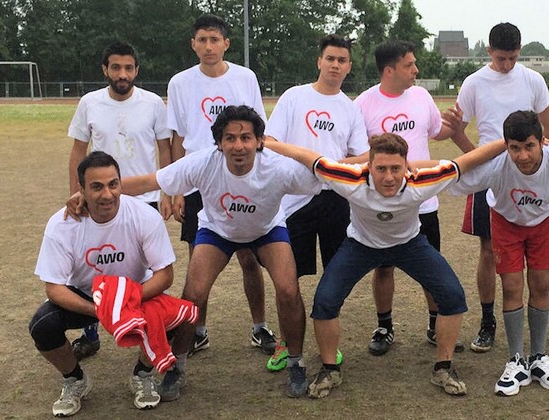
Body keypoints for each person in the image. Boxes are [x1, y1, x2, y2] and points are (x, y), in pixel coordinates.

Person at [265, 133, 509, 398]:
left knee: (452, 296)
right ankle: (329, 369)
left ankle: (443, 367)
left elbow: (466, 161)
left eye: (396, 169)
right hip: (360, 246)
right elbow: (309, 157)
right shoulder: (350, 179)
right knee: (325, 301)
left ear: (408, 167)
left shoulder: (423, 181)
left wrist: (508, 141)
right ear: (368, 167)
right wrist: (270, 144)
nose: (389, 177)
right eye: (381, 169)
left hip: (410, 244)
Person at [106, 105, 321, 399]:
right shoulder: (203, 163)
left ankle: (296, 362)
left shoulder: (278, 166)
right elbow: (150, 182)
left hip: (266, 230)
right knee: (193, 294)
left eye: (246, 137)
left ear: (260, 141)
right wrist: (100, 192)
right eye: (230, 138)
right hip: (217, 230)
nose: (238, 145)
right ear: (218, 143)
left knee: (287, 289)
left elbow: (322, 174)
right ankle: (176, 367)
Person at [445, 22, 549, 352]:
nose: (507, 65)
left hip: (530, 172)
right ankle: (488, 321)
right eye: (501, 58)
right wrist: (483, 162)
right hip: (494, 178)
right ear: (489, 51)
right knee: (489, 250)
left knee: (543, 257)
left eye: (513, 58)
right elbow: (457, 130)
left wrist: (532, 155)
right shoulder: (474, 82)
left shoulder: (532, 79)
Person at [29, 152, 177, 416]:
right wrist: (100, 310)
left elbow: (164, 275)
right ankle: (74, 379)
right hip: (86, 296)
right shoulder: (61, 224)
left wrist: (126, 301)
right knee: (43, 325)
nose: (107, 194)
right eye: (96, 187)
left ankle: (143, 374)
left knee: (171, 316)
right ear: (81, 190)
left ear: (121, 184)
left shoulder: (143, 215)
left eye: (113, 184)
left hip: (133, 291)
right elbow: (54, 288)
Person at [166, 14, 276, 355]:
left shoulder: (245, 78)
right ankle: (197, 329)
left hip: (239, 176)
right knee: (199, 259)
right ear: (193, 44)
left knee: (248, 257)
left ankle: (259, 326)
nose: (208, 46)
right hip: (199, 180)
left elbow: (260, 133)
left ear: (226, 43)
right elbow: (178, 138)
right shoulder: (180, 83)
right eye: (202, 39)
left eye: (215, 39)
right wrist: (177, 188)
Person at [354, 39, 472, 356]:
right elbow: (354, 154)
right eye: (410, 65)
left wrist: (456, 127)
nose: (416, 70)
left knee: (429, 267)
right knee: (383, 267)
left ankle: (435, 325)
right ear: (389, 70)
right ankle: (384, 326)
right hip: (383, 203)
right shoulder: (363, 104)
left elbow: (436, 132)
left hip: (423, 202)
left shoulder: (420, 96)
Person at [451, 110, 549, 396]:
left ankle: (538, 356)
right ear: (506, 145)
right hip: (506, 222)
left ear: (542, 142)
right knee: (511, 286)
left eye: (529, 146)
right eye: (515, 148)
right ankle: (516, 359)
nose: (522, 156)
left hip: (542, 222)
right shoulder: (497, 165)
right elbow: (456, 177)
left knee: (541, 283)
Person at [263, 34, 368, 371]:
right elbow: (269, 141)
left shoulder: (350, 108)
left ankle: (327, 345)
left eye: (342, 61)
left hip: (335, 200)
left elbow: (361, 154)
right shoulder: (294, 97)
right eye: (330, 59)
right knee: (287, 282)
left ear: (349, 67)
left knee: (334, 279)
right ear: (319, 61)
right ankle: (286, 344)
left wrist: (333, 167)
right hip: (294, 203)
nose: (335, 65)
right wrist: (308, 162)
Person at [66, 41, 173, 361]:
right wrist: (76, 192)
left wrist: (167, 191)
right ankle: (90, 330)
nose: (122, 74)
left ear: (137, 70)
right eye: (116, 67)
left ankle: (151, 324)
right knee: (93, 265)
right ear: (105, 70)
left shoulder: (153, 103)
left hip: (145, 200)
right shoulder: (90, 103)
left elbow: (165, 150)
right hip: (98, 198)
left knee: (147, 267)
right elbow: (77, 152)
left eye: (128, 68)